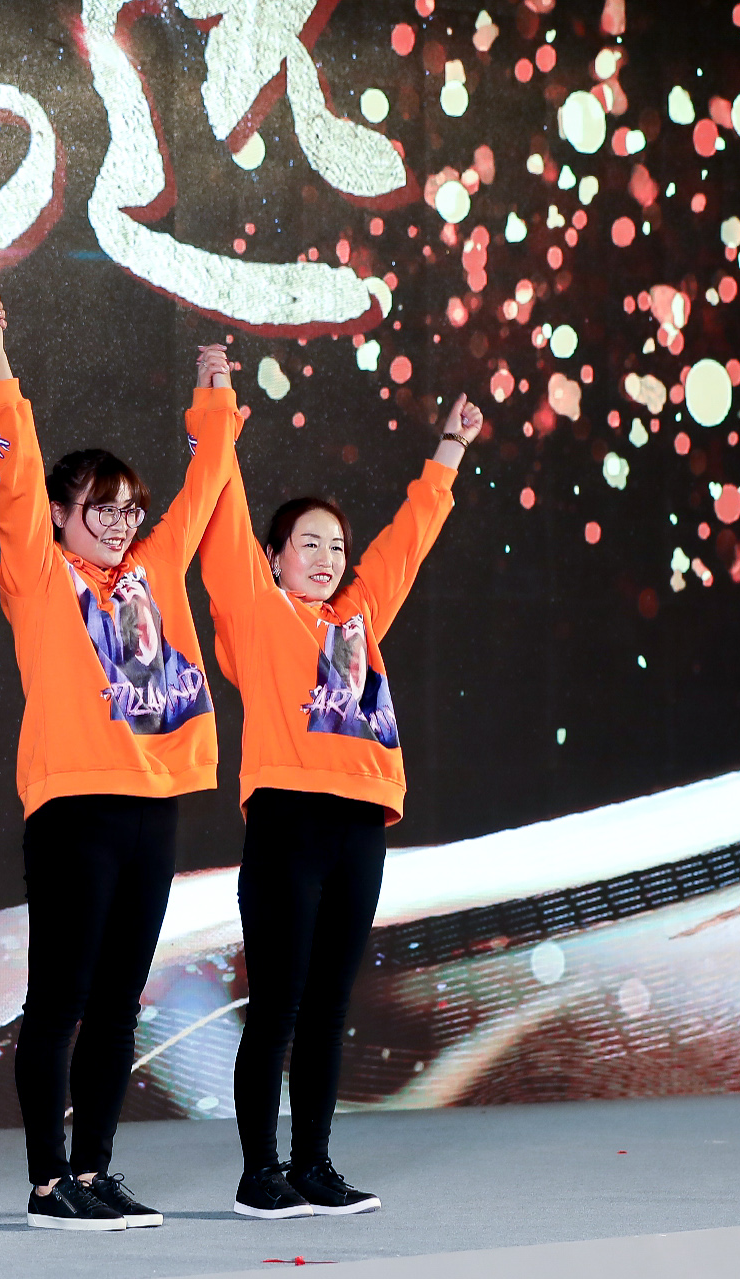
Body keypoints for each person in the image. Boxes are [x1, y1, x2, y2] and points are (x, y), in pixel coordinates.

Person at [0, 308, 243, 1231]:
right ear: (60, 513)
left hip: (154, 806)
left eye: (129, 509)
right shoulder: (38, 574)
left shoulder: (152, 570)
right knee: (60, 1001)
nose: (122, 524)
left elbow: (205, 485)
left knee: (120, 1003)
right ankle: (49, 1184)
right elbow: (16, 465)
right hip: (74, 808)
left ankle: (95, 1169)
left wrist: (214, 390)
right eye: (102, 507)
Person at [202, 382, 485, 1219]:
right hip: (289, 822)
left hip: (361, 826)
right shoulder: (258, 613)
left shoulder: (355, 621)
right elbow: (223, 522)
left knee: (328, 1008)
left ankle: (314, 1164)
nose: (326, 557)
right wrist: (215, 405)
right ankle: (260, 1173)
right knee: (278, 1007)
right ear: (274, 557)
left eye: (335, 545)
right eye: (308, 544)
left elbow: (406, 542)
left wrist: (450, 449)